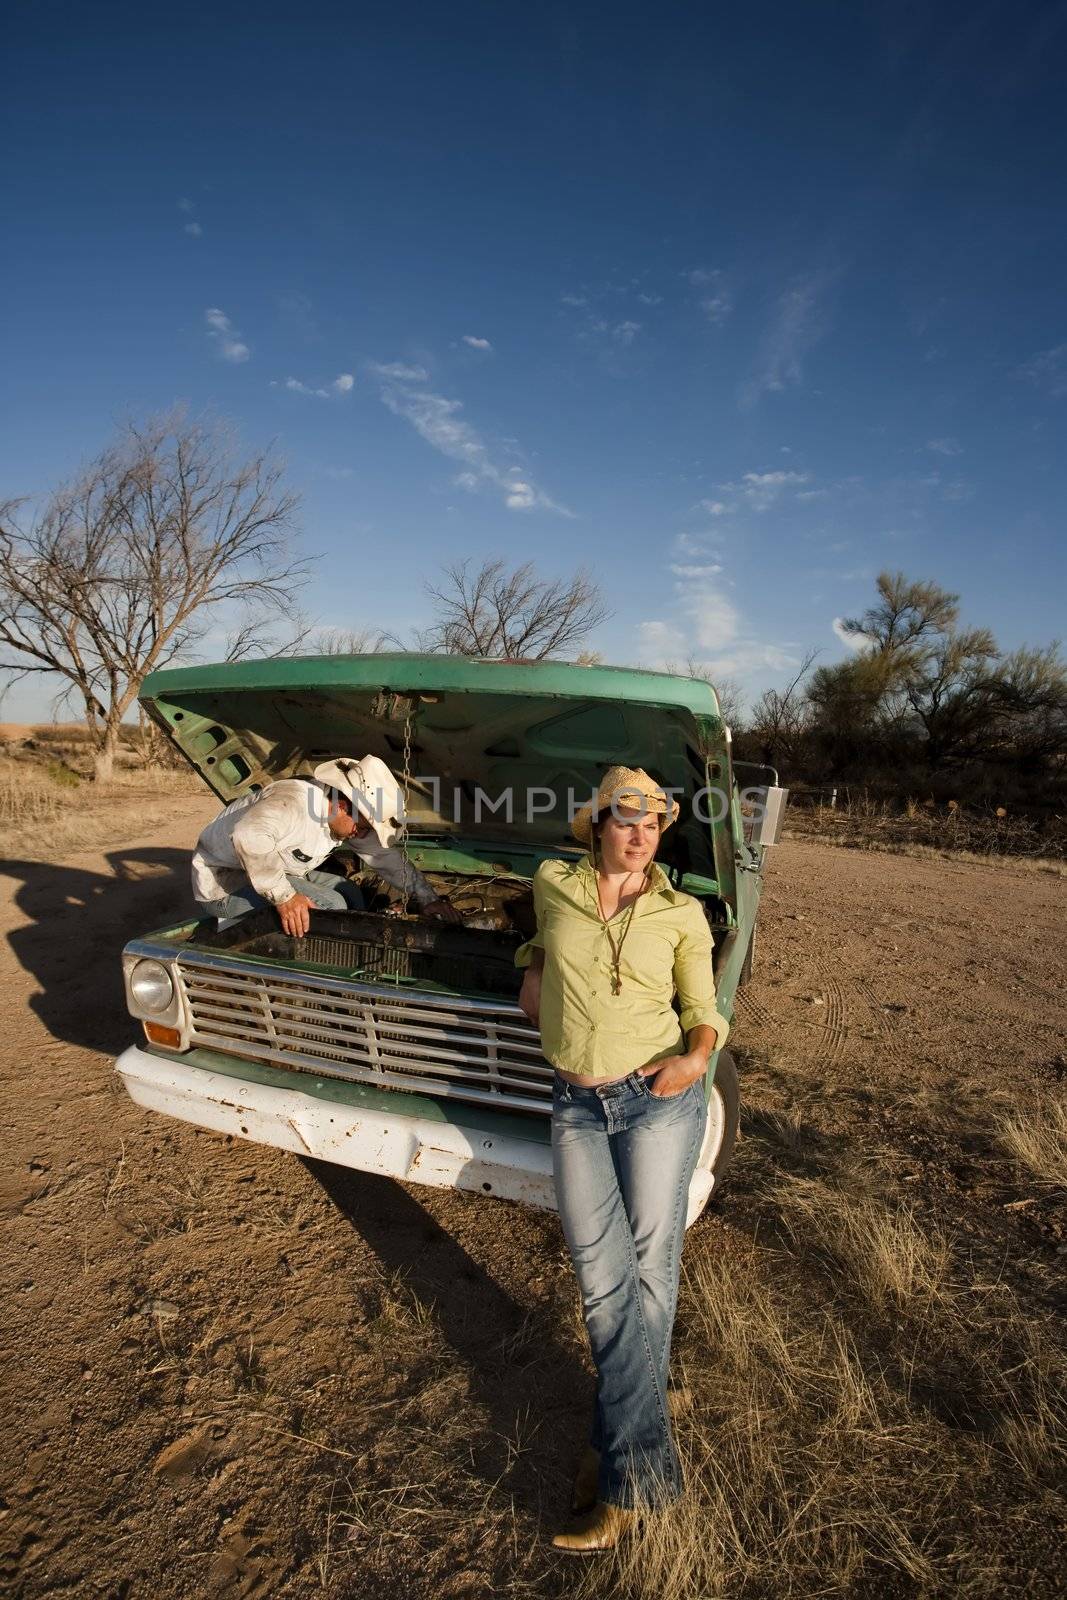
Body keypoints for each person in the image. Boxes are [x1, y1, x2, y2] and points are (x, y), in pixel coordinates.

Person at [514, 765, 730, 1553]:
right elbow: (538, 952)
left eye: (653, 822)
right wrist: (533, 980)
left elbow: (704, 1010)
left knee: (646, 1274)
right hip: (575, 1105)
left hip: (657, 1100)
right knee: (603, 1283)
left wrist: (694, 1058)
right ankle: (623, 1434)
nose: (640, 832)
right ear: (597, 824)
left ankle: (626, 1476)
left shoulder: (682, 913)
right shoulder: (552, 883)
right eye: (625, 818)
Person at [190, 754, 461, 934]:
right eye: (362, 826)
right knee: (332, 907)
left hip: (268, 872)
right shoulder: (294, 802)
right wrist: (285, 898)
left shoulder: (342, 818)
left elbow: (385, 858)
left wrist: (428, 899)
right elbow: (248, 835)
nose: (360, 833)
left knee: (352, 895)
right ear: (342, 806)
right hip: (225, 884)